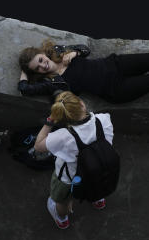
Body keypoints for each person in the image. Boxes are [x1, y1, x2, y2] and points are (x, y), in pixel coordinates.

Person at [18, 40, 149, 104]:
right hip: (116, 89)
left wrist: (75, 52)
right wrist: (25, 72)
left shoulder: (60, 53)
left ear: (44, 54)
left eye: (41, 60)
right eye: (38, 67)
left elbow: (86, 49)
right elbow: (25, 89)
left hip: (115, 65)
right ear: (37, 72)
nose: (43, 65)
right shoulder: (55, 82)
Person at [33, 91, 112, 229]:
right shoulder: (104, 119)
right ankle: (98, 199)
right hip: (101, 169)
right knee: (96, 185)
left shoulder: (63, 137)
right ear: (82, 103)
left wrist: (49, 122)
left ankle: (62, 218)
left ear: (62, 119)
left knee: (62, 201)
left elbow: (38, 146)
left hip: (71, 179)